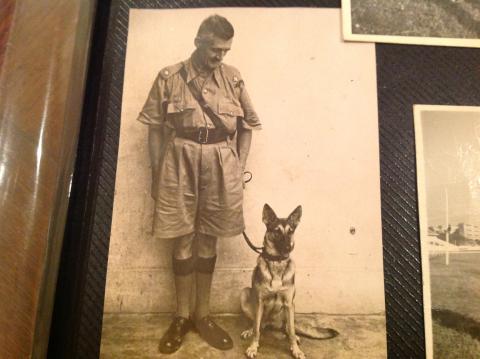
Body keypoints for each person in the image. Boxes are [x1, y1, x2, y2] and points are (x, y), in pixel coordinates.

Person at [137, 14, 261, 354]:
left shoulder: (233, 79)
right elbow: (154, 128)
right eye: (215, 50)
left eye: (226, 50)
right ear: (198, 43)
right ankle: (181, 316)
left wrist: (239, 166)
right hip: (179, 160)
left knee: (208, 239)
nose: (220, 56)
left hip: (221, 162)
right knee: (182, 241)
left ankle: (202, 316)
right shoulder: (169, 77)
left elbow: (248, 125)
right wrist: (155, 173)